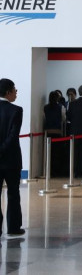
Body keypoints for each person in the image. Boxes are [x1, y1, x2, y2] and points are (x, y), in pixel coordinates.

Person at [0, 78, 25, 237]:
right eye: (15, 90)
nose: (16, 93)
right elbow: (12, 135)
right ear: (8, 92)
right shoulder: (16, 110)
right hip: (11, 160)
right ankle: (13, 227)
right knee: (13, 193)